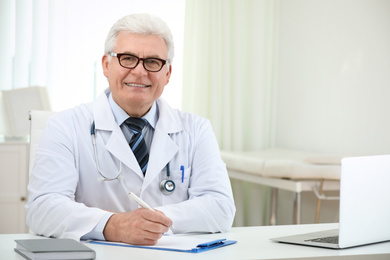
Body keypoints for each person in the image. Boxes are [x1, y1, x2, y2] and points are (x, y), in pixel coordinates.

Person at [26, 13, 235, 246]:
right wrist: (112, 225)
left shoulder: (197, 130)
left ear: (167, 74)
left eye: (153, 62)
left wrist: (149, 222)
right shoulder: (65, 126)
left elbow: (221, 207)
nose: (139, 71)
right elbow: (41, 208)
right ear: (107, 65)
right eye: (128, 58)